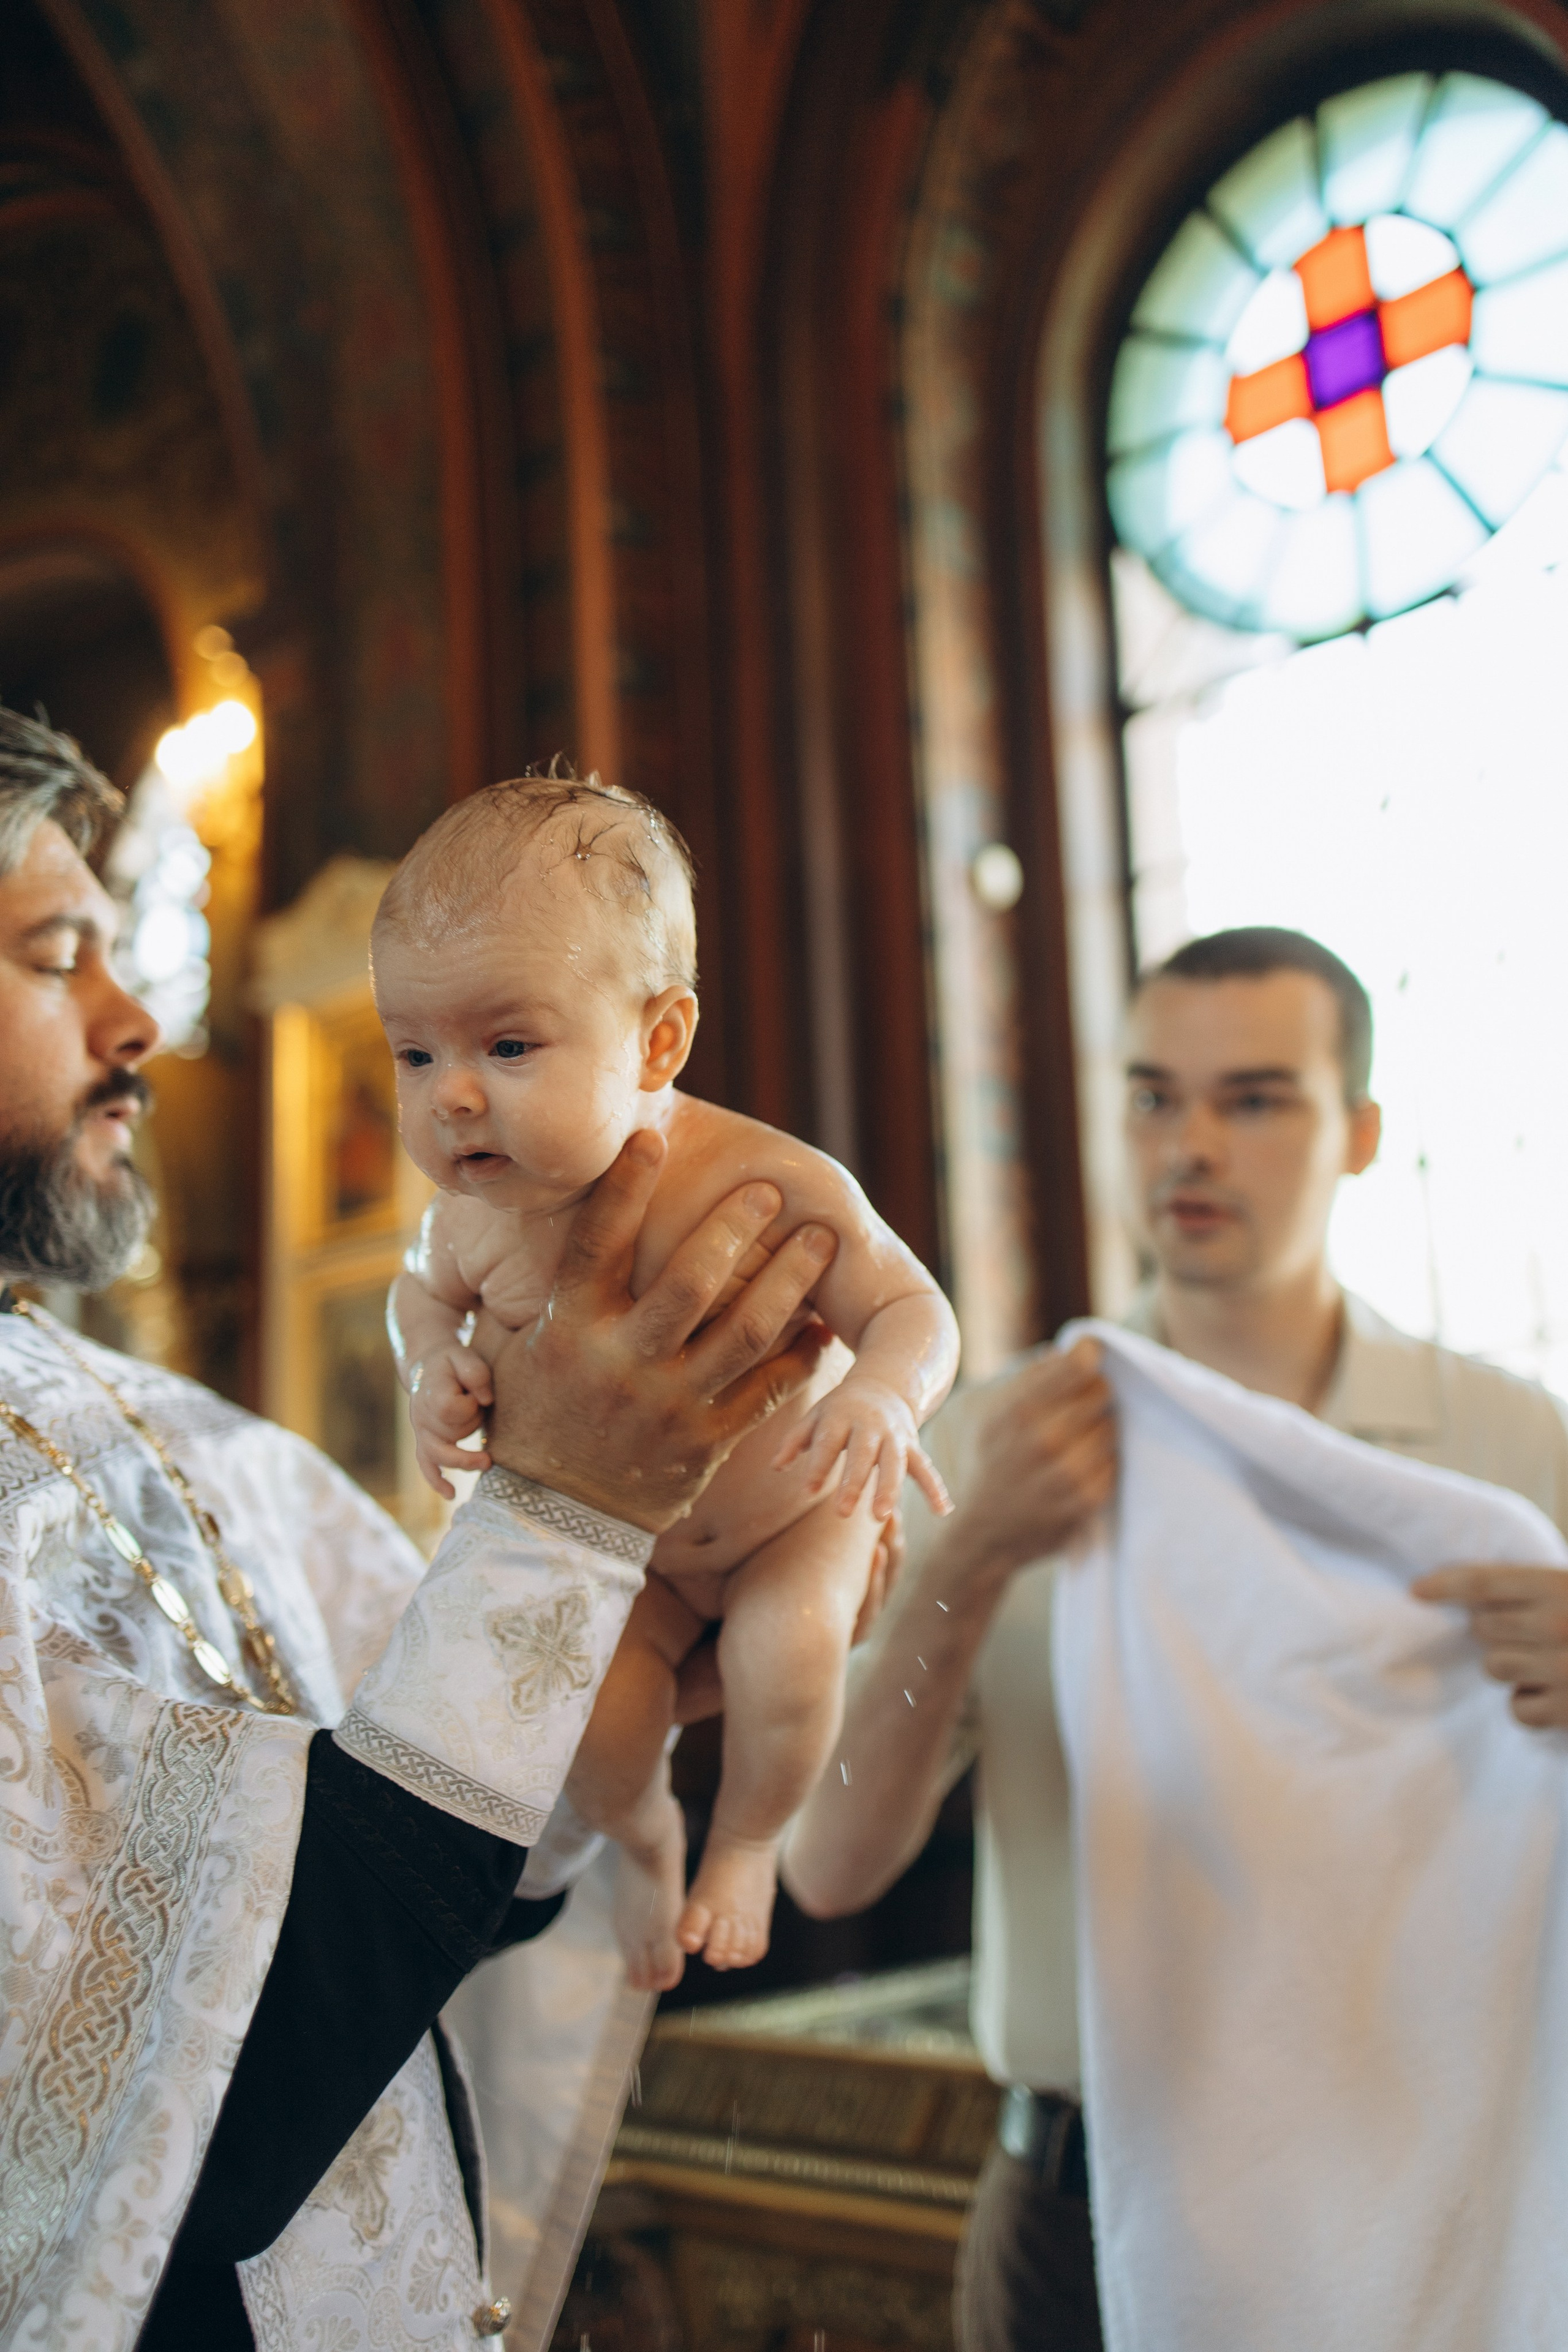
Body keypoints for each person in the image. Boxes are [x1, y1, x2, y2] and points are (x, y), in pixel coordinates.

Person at [0, 709, 842, 2352]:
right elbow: (169, 2123)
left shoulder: (186, 1438)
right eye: (54, 957)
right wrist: (564, 1511)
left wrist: (647, 1634)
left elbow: (463, 1862)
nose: (140, 1019)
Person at [782, 924, 1568, 2352]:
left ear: (1360, 1133)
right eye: (1152, 1095)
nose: (1188, 1144)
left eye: (1252, 1099)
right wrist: (976, 1547)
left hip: (1441, 2187)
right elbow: (827, 1866)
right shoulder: (986, 1439)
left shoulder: (1508, 1448)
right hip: (1077, 2210)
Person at [378, 776, 957, 1988]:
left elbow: (912, 1309)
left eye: (509, 1045)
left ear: (657, 1040)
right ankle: (644, 1828)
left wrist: (881, 1399)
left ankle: (745, 1841)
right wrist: (430, 1362)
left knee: (786, 1651)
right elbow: (418, 1294)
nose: (452, 1095)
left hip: (790, 1516)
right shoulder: (469, 1221)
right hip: (624, 1548)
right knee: (599, 1722)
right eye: (414, 1053)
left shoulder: (766, 1179)